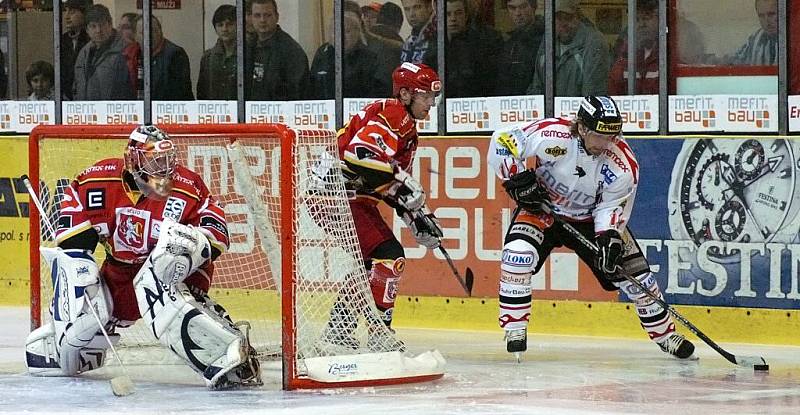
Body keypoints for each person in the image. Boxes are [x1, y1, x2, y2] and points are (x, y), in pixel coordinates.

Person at [24, 124, 262, 390]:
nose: (163, 167)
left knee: (164, 264)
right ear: (132, 160)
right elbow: (73, 241)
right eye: (154, 160)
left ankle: (224, 353)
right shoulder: (96, 181)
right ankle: (63, 346)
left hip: (173, 275)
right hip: (120, 273)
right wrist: (83, 270)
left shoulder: (187, 185)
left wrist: (193, 245)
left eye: (166, 160)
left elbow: (217, 232)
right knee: (79, 278)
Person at [487, 96, 696, 361]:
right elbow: (502, 141)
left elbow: (611, 206)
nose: (606, 143)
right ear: (582, 128)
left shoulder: (623, 165)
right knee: (517, 255)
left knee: (639, 280)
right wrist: (515, 178)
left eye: (613, 135)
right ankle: (515, 328)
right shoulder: (553, 135)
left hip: (589, 221)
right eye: (599, 136)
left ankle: (666, 335)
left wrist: (609, 236)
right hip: (543, 211)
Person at [324, 62, 442, 346]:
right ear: (404, 95)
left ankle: (339, 329)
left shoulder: (400, 119)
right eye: (424, 96)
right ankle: (379, 333)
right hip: (339, 196)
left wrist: (416, 216)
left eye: (432, 97)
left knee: (369, 266)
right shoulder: (395, 115)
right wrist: (404, 183)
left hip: (342, 196)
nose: (431, 103)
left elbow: (384, 181)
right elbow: (359, 155)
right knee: (390, 255)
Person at [526, 0, 609, 96]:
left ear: (578, 17)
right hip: (551, 109)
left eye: (568, 18)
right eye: (558, 18)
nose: (564, 23)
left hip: (577, 108)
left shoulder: (594, 43)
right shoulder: (548, 40)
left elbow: (593, 93)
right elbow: (537, 87)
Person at [309, 1, 387, 99]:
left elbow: (379, 92)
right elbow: (311, 89)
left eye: (347, 31)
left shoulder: (372, 55)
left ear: (357, 30)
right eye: (336, 29)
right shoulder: (322, 54)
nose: (341, 36)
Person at [245, 0, 310, 100]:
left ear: (277, 17)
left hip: (280, 113)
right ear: (251, 18)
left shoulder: (291, 51)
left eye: (268, 15)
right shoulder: (247, 48)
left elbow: (297, 94)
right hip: (250, 112)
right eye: (257, 15)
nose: (262, 20)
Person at [73, 4, 134, 100]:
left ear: (110, 24)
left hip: (114, 112)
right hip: (85, 112)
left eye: (102, 25)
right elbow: (76, 86)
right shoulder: (83, 53)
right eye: (93, 26)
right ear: (87, 30)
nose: (98, 30)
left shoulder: (126, 50)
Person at [127, 15, 194, 100]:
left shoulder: (175, 54)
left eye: (154, 30)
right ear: (135, 36)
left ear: (161, 32)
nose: (150, 35)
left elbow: (176, 93)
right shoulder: (130, 55)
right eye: (144, 32)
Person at [445, 0, 501, 97]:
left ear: (466, 16)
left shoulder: (482, 43)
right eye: (448, 14)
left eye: (458, 13)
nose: (453, 18)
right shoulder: (436, 45)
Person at [608, 0, 659, 95]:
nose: (642, 24)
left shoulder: (669, 54)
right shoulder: (622, 56)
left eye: (647, 18)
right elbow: (614, 93)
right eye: (637, 19)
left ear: (659, 19)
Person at [494, 0, 544, 96]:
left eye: (523, 7)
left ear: (533, 7)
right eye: (512, 8)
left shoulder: (545, 39)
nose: (518, 13)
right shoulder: (507, 43)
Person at [197, 4, 237, 100]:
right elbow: (202, 91)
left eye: (230, 24)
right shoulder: (207, 57)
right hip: (214, 111)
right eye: (220, 25)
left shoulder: (248, 54)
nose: (225, 29)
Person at [60, 0, 91, 100]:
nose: (67, 16)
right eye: (66, 11)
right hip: (66, 98)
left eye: (72, 12)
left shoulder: (91, 39)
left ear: (84, 14)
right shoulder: (63, 40)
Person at [732, 0, 777, 65]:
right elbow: (736, 60)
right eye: (761, 16)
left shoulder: (793, 38)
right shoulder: (755, 38)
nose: (766, 21)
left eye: (771, 14)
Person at [400, 0, 437, 70]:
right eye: (407, 9)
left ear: (429, 7)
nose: (411, 14)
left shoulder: (438, 36)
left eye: (417, 7)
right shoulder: (410, 41)